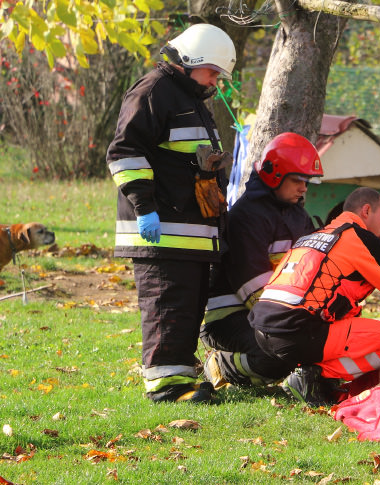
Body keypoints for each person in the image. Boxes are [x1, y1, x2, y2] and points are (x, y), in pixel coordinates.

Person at [106, 24, 236, 403]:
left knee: (186, 308)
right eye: (212, 71)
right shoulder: (154, 91)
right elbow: (125, 152)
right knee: (167, 304)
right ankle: (165, 387)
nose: (215, 81)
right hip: (160, 230)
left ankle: (180, 379)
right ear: (191, 60)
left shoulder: (188, 97)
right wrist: (144, 208)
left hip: (188, 231)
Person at [249, 187, 380, 406]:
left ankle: (308, 375)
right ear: (366, 211)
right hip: (296, 333)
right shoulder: (357, 238)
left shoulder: (314, 236)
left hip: (261, 330)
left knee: (356, 329)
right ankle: (315, 376)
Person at [202, 132, 322, 389]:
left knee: (310, 344)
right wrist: (293, 322)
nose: (303, 188)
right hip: (229, 317)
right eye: (297, 180)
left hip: (276, 312)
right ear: (274, 175)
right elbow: (253, 287)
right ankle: (220, 365)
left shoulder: (298, 216)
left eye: (307, 182)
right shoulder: (246, 217)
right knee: (281, 352)